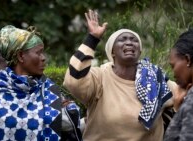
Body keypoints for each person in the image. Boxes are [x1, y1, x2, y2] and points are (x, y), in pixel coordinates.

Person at [63, 9, 173, 141]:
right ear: (112, 51)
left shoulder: (154, 77)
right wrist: (92, 39)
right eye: (122, 39)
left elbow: (182, 96)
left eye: (134, 40)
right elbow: (74, 81)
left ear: (139, 50)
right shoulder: (99, 76)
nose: (129, 42)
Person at [0, 25, 82, 141]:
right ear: (21, 56)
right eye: (38, 53)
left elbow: (70, 119)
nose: (43, 58)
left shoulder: (47, 89)